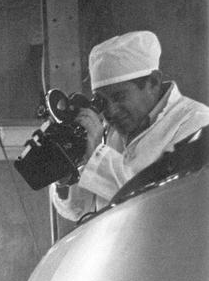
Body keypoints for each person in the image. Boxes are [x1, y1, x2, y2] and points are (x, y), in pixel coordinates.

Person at [53, 30, 209, 221]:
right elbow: (77, 210)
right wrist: (64, 176)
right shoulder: (110, 131)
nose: (111, 111)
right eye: (102, 101)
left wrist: (97, 156)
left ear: (153, 82)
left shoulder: (196, 123)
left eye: (119, 97)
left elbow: (159, 203)